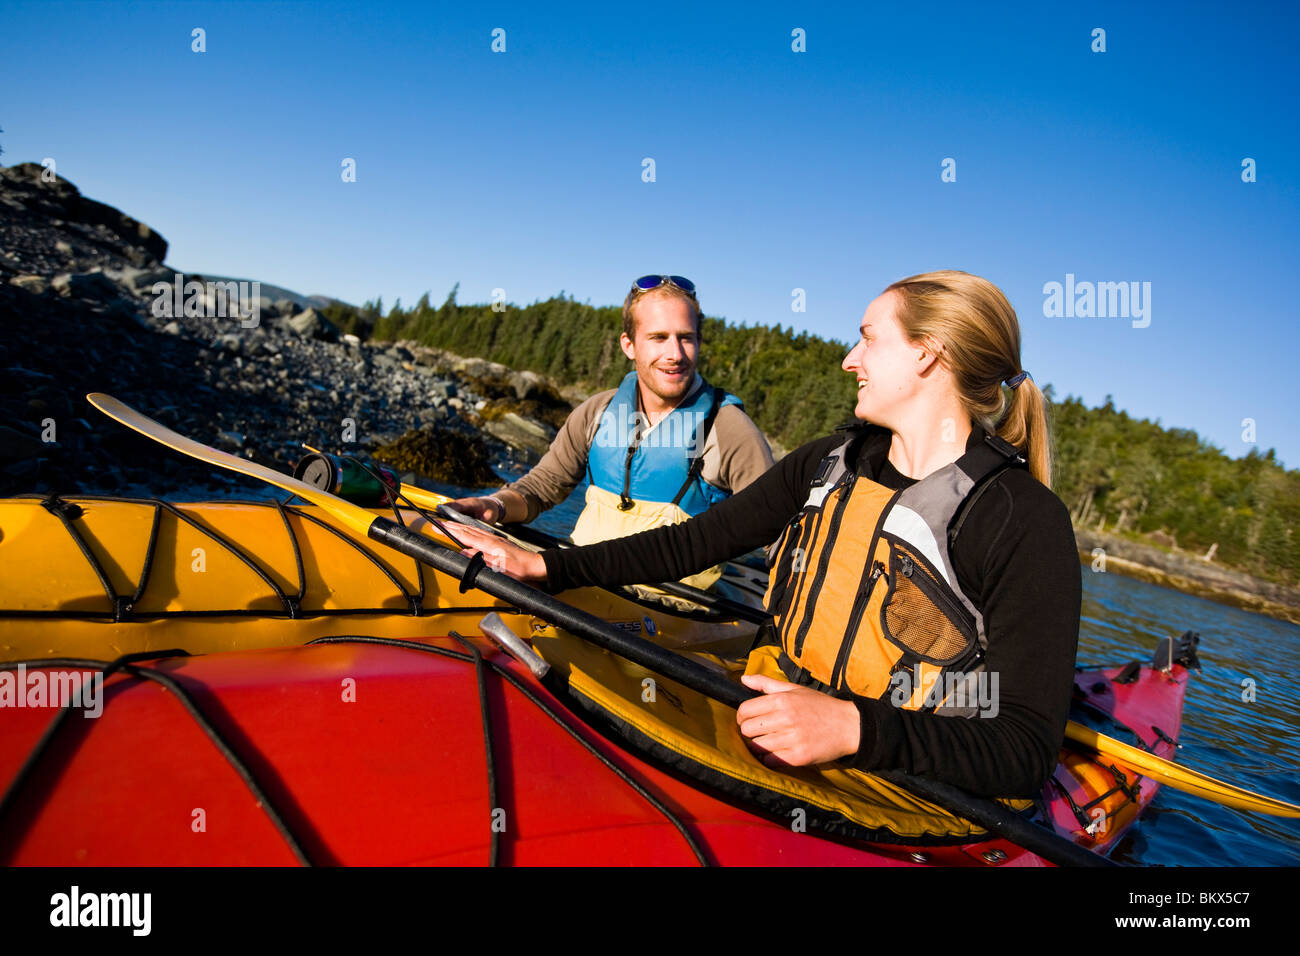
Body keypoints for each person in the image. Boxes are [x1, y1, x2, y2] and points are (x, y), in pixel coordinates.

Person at [455, 271, 1081, 798]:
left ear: (927, 353)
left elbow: (1024, 748)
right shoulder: (827, 462)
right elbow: (691, 544)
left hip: (897, 775)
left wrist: (853, 728)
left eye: (867, 339)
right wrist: (545, 567)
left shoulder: (1023, 521)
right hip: (765, 700)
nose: (849, 359)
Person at [450, 274, 774, 590]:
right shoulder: (597, 412)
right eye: (658, 337)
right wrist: (495, 505)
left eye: (686, 337)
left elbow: (777, 533)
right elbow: (541, 488)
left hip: (672, 612)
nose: (675, 353)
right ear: (629, 345)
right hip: (578, 580)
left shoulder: (729, 429)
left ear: (699, 343)